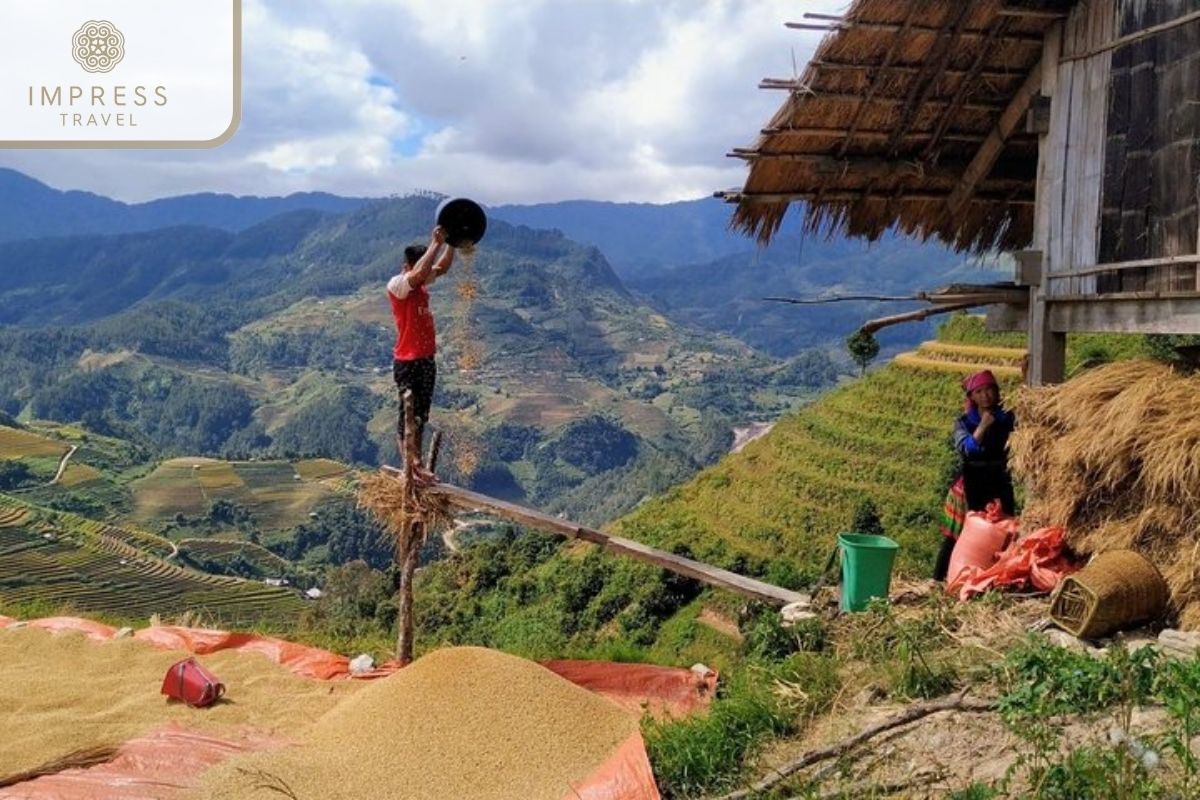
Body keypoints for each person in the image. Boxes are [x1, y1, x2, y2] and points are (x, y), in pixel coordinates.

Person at [933, 369, 1017, 581]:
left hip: (999, 481)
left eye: (990, 390)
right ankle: (939, 579)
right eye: (979, 392)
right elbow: (967, 448)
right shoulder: (963, 422)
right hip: (971, 485)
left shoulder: (1007, 416)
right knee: (958, 536)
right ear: (972, 397)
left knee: (1002, 532)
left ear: (997, 392)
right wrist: (983, 426)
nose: (986, 395)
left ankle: (992, 577)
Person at [387, 225, 455, 479]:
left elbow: (442, 268)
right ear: (408, 267)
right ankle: (411, 463)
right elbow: (420, 274)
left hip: (426, 358)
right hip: (408, 360)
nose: (426, 275)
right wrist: (435, 244)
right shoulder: (398, 285)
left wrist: (452, 243)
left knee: (421, 414)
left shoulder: (419, 283)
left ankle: (416, 463)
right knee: (408, 412)